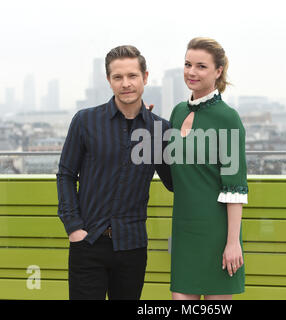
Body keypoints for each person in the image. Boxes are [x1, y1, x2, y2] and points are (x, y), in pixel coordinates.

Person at [56, 45, 172, 300]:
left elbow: (174, 182)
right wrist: (74, 228)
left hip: (132, 246)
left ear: (145, 77)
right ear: (109, 80)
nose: (126, 83)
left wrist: (184, 139)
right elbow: (65, 175)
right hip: (88, 242)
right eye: (118, 77)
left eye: (132, 76)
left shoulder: (159, 130)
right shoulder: (85, 121)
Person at [169, 37, 248, 300]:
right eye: (187, 64)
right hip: (183, 231)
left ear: (218, 71)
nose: (191, 72)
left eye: (201, 66)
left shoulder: (227, 118)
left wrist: (233, 242)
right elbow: (172, 172)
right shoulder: (177, 112)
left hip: (217, 234)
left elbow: (234, 186)